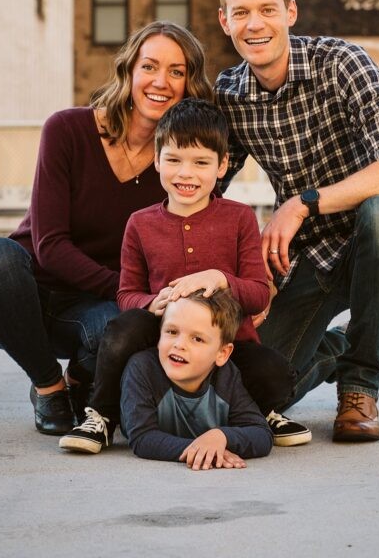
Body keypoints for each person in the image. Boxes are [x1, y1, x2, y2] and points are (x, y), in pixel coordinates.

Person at [0, 21, 213, 436]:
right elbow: (49, 245)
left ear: (190, 83)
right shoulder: (68, 130)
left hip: (92, 307)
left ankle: (80, 381)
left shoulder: (179, 165)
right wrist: (125, 291)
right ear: (129, 71)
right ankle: (49, 387)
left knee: (130, 322)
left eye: (177, 71)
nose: (161, 82)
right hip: (21, 293)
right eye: (149, 66)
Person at [214, 0, 379, 443]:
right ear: (225, 21)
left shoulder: (342, 64)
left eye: (267, 9)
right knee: (255, 391)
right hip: (306, 260)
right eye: (241, 12)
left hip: (375, 245)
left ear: (291, 12)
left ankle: (360, 384)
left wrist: (302, 202)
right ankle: (340, 348)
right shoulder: (229, 96)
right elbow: (206, 189)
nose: (255, 24)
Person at [59, 97, 309, 454]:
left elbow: (258, 295)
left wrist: (220, 278)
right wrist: (153, 302)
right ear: (157, 159)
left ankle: (256, 412)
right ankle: (102, 416)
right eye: (173, 160)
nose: (185, 173)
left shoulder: (238, 218)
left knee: (276, 372)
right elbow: (127, 293)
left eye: (201, 162)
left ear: (222, 165)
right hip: (167, 344)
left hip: (224, 350)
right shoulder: (140, 223)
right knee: (121, 328)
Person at [121, 289, 273, 468]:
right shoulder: (142, 369)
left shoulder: (225, 377)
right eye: (171, 331)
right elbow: (142, 438)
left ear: (222, 354)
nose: (179, 345)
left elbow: (262, 434)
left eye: (197, 339)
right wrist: (201, 450)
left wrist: (221, 437)